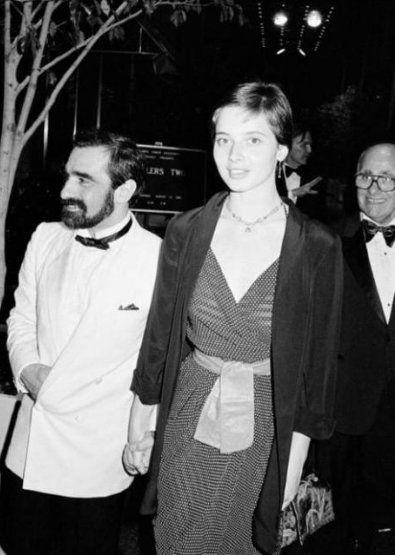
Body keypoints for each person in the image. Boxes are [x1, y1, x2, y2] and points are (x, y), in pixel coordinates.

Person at [124, 82, 343, 555]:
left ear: (281, 149)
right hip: (190, 411)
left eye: (253, 140)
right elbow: (159, 338)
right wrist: (138, 427)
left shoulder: (317, 246)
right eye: (224, 139)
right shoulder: (187, 230)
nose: (234, 155)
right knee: (177, 539)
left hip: (270, 426)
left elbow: (317, 370)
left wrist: (292, 465)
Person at [0, 130, 161, 555]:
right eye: (68, 176)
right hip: (34, 442)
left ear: (124, 191)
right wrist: (28, 371)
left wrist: (148, 432)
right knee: (17, 542)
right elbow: (22, 317)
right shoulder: (45, 237)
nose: (66, 190)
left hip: (97, 454)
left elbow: (160, 360)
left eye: (83, 180)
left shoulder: (160, 259)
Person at [318, 143, 395, 554]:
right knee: (337, 525)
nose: (374, 188)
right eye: (366, 176)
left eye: (387, 178)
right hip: (344, 408)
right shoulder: (326, 240)